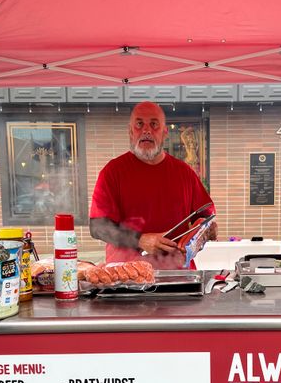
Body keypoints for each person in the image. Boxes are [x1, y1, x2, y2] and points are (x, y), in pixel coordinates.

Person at [89, 101, 216, 268]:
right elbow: (98, 226)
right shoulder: (112, 172)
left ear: (164, 133)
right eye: (139, 124)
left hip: (178, 277)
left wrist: (205, 233)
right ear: (130, 132)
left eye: (154, 124)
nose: (146, 130)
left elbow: (206, 217)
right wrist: (140, 240)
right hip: (126, 279)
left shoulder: (185, 173)